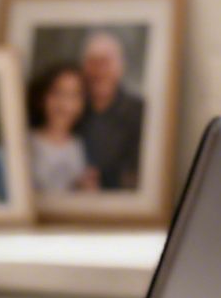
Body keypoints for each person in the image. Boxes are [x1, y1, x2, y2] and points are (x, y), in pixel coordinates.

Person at [75, 30, 147, 191]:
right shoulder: (70, 109)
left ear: (121, 66)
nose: (99, 71)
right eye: (93, 62)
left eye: (105, 62)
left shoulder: (141, 112)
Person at [26, 63, 98, 196]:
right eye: (57, 93)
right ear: (41, 98)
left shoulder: (81, 146)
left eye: (74, 95)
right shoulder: (26, 143)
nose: (65, 104)